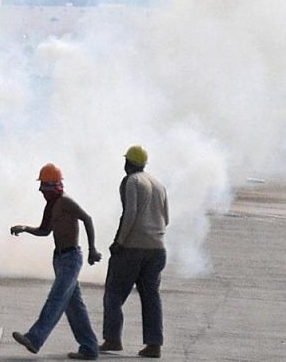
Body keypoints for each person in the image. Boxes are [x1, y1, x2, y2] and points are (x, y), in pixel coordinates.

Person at [9, 163, 101, 359]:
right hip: (60, 259)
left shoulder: (66, 202)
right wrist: (25, 228)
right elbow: (44, 231)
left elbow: (87, 218)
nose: (42, 191)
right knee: (74, 307)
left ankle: (35, 338)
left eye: (45, 186)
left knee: (56, 299)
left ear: (54, 186)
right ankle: (90, 347)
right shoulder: (51, 205)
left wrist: (93, 249)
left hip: (71, 258)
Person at [100, 146, 169, 359]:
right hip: (157, 248)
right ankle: (154, 345)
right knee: (151, 298)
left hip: (132, 248)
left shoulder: (132, 181)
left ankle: (113, 338)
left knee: (113, 293)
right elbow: (166, 218)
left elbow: (130, 213)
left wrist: (119, 242)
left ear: (128, 163)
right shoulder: (158, 184)